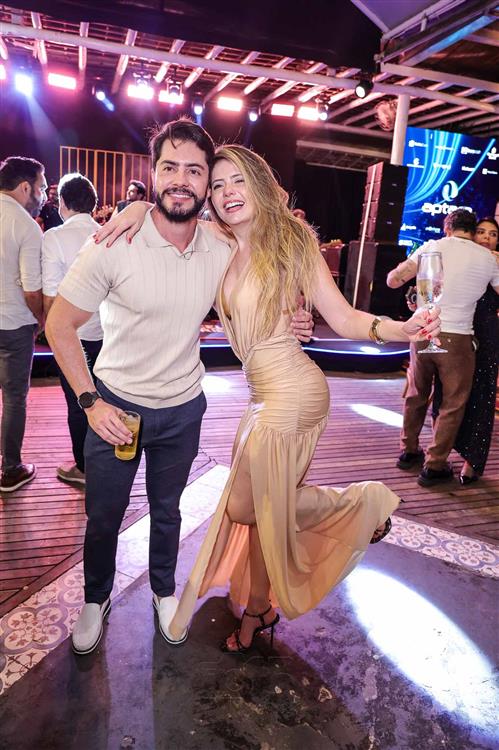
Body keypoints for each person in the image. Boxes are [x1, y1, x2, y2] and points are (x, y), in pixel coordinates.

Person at [103, 144, 441, 653]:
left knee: (258, 506)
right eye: (218, 185)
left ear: (259, 183)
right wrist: (135, 208)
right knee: (252, 506)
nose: (227, 193)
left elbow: (344, 317)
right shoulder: (218, 240)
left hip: (293, 392)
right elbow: (166, 217)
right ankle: (324, 540)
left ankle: (328, 538)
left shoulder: (291, 241)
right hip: (260, 395)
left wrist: (401, 328)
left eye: (237, 180)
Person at [45, 120, 313, 655]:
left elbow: (268, 246)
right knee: (104, 516)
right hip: (116, 409)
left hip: (184, 409)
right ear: (154, 173)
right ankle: (95, 598)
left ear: (207, 182)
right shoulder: (113, 243)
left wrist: (291, 316)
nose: (181, 180)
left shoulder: (219, 243)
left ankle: (163, 591)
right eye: (170, 167)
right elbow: (58, 325)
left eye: (195, 171)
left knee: (168, 511)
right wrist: (90, 403)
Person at [387, 209, 499, 488]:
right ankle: (434, 465)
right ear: (472, 231)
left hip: (424, 332)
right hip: (457, 339)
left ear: (447, 227)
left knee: (416, 393)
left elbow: (393, 280)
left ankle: (408, 451)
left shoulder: (431, 247)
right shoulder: (487, 258)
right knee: (453, 403)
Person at [42, 173, 103, 485]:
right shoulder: (107, 233)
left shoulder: (54, 238)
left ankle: (84, 468)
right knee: (105, 399)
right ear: (93, 203)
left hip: (72, 335)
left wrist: (49, 332)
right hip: (107, 334)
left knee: (79, 402)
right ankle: (104, 462)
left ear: (62, 203)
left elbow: (50, 296)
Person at [432, 217, 498, 483]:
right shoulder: (461, 259)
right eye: (481, 232)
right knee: (446, 395)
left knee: (481, 397)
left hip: (486, 337)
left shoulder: (494, 264)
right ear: (471, 234)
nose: (486, 237)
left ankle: (472, 462)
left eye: (493, 234)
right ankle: (439, 456)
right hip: (456, 334)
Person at [0, 156, 47, 492]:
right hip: (14, 324)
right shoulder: (26, 226)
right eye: (41, 187)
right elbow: (32, 290)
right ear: (25, 187)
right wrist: (42, 319)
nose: (43, 195)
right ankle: (11, 469)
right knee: (14, 398)